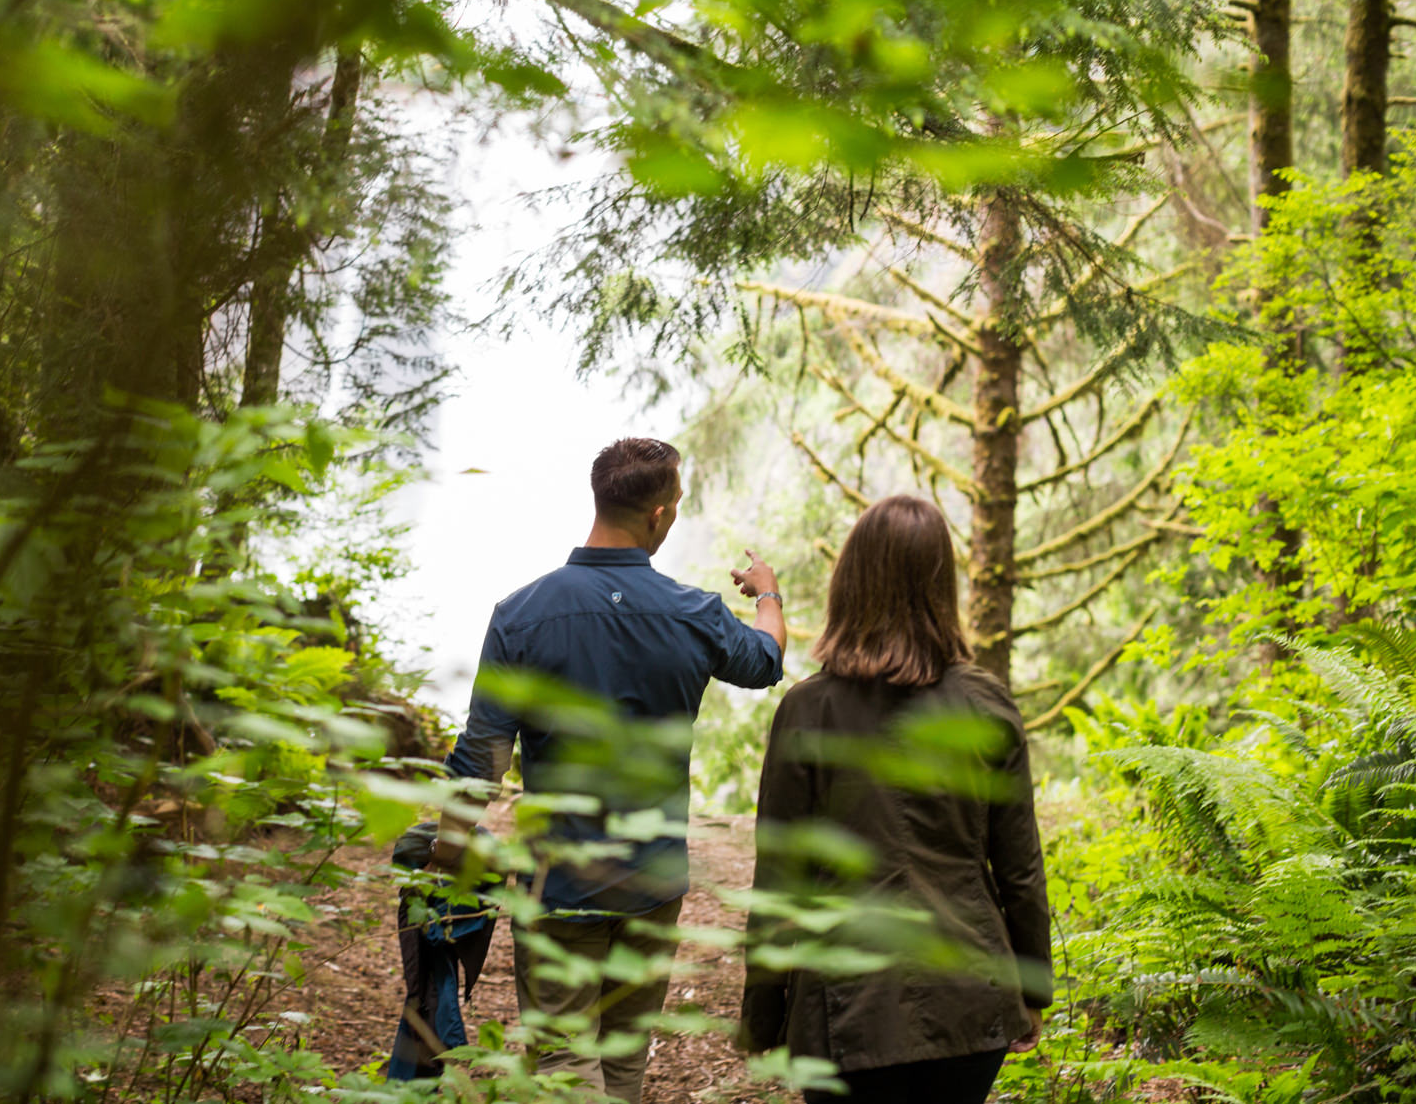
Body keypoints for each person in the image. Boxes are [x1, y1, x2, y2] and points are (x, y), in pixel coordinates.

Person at [433, 437, 788, 1103]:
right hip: (654, 883)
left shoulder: (522, 614)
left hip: (560, 881)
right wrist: (768, 593)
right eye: (677, 504)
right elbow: (764, 661)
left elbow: (483, 757)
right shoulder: (695, 613)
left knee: (563, 1057)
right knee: (624, 1056)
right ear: (659, 514)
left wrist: (446, 849)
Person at [738, 494, 1051, 1104]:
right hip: (970, 995)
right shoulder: (986, 701)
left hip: (844, 1007)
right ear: (943, 586)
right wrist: (1031, 988)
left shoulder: (808, 709)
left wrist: (762, 1012)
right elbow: (1019, 868)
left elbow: (780, 876)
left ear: (850, 582)